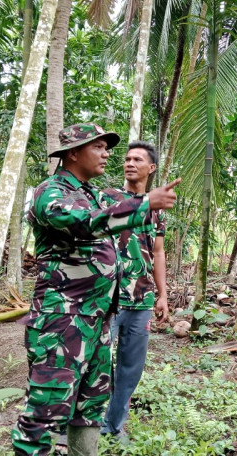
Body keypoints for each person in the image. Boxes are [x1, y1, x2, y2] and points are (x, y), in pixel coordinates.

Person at [11, 123, 180, 456]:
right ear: (74, 153)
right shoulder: (51, 191)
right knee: (45, 412)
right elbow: (86, 222)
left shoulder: (91, 193)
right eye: (99, 147)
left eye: (107, 148)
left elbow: (121, 223)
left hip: (97, 319)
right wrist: (146, 203)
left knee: (90, 405)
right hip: (62, 320)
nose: (107, 155)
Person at [100, 140, 169, 439]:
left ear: (151, 167)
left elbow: (158, 252)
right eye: (127, 159)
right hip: (107, 298)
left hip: (141, 300)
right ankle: (81, 424)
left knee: (130, 369)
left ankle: (114, 426)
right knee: (97, 362)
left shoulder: (157, 208)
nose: (129, 163)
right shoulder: (107, 198)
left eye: (137, 159)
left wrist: (163, 294)